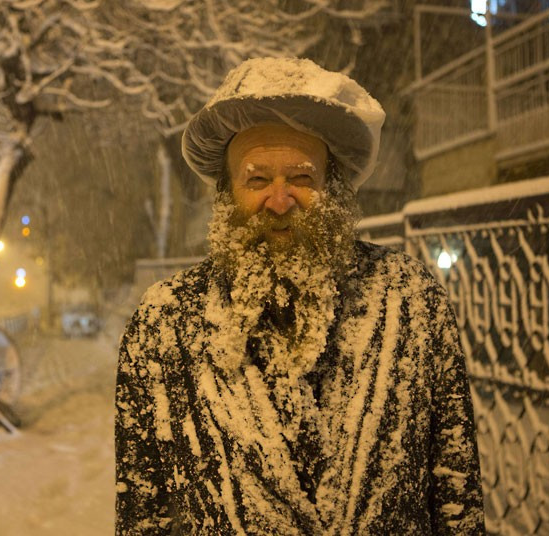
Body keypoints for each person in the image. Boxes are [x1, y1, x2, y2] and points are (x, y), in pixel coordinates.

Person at [115, 57, 484, 535]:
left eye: (302, 177)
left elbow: (456, 498)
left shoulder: (411, 301)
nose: (280, 199)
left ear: (332, 188)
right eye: (257, 179)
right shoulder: (163, 325)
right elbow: (143, 519)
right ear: (227, 192)